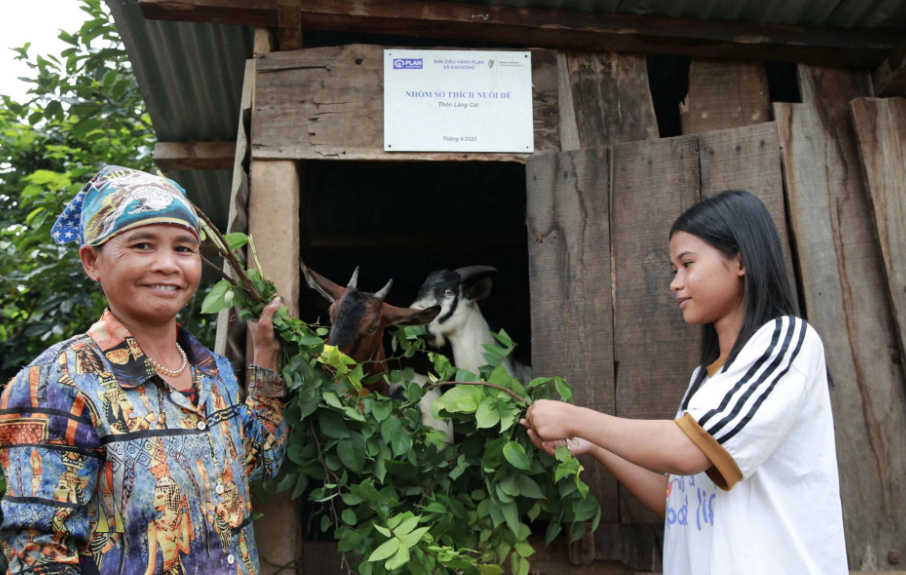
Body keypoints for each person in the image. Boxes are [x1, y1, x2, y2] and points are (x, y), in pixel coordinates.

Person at [521, 190, 847, 574]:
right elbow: (681, 502)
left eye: (687, 264)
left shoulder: (785, 340)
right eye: (674, 269)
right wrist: (594, 445)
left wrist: (576, 418)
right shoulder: (704, 380)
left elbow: (688, 453)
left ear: (740, 260)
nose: (676, 283)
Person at [0, 166, 288, 574]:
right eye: (143, 245)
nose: (168, 264)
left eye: (184, 249)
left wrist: (265, 357)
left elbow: (261, 459)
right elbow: (39, 554)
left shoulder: (213, 372)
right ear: (92, 261)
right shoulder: (56, 384)